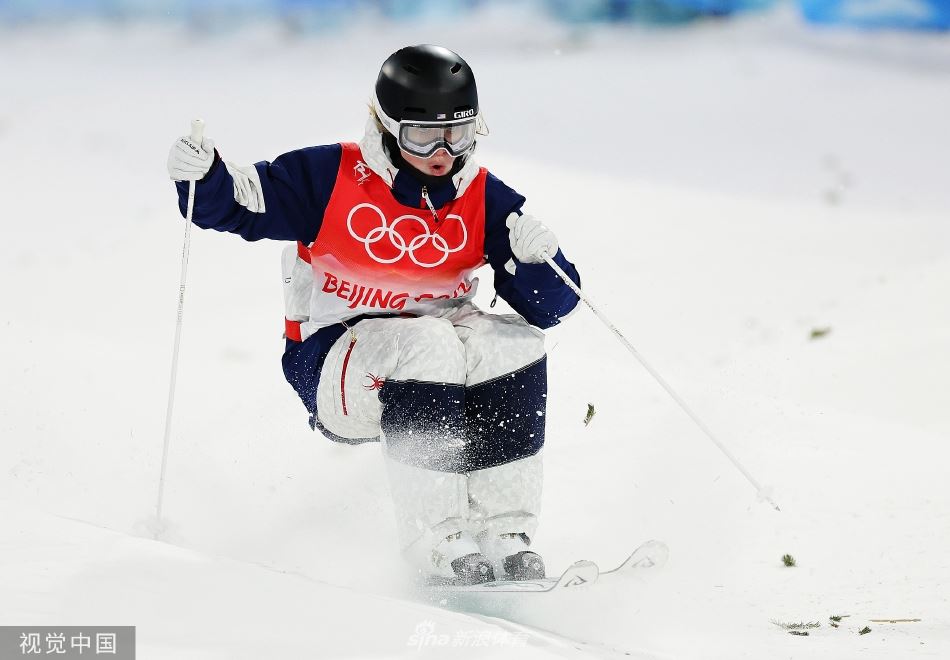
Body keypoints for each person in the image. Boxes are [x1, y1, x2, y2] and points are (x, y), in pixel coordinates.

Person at [167, 44, 581, 585]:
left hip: (440, 369)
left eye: (459, 134)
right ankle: (437, 540)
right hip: (337, 368)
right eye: (422, 136)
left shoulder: (482, 196)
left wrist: (536, 265)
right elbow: (241, 202)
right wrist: (204, 178)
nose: (443, 153)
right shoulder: (329, 176)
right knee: (430, 343)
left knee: (512, 344)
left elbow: (550, 309)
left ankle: (504, 534)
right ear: (386, 126)